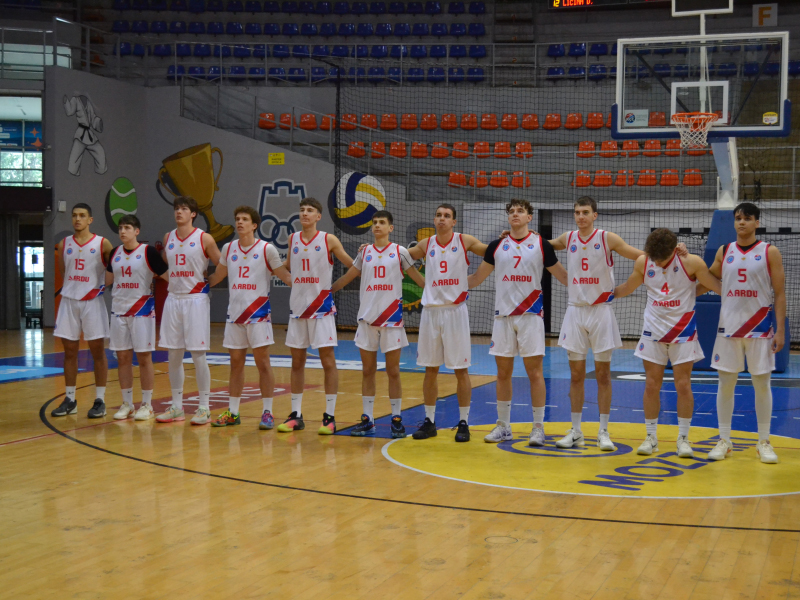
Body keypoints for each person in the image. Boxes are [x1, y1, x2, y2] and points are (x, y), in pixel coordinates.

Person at [467, 199, 568, 446]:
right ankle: (503, 426)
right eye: (511, 211)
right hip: (503, 317)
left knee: (535, 373)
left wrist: (593, 284)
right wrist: (444, 280)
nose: (515, 214)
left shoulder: (541, 245)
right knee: (503, 373)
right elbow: (476, 279)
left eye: (520, 211)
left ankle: (538, 428)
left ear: (529, 217)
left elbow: (564, 277)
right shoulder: (496, 246)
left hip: (531, 316)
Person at [613, 228, 721, 458]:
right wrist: (602, 294)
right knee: (652, 385)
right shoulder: (644, 262)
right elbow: (627, 288)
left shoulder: (692, 262)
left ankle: (683, 438)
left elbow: (715, 285)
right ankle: (651, 437)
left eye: (662, 259)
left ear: (674, 250)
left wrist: (743, 292)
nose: (658, 263)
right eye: (655, 259)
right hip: (653, 332)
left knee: (683, 385)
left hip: (683, 332)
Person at [551, 196, 645, 451]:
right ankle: (576, 431)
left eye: (585, 212)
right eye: (577, 212)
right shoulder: (567, 238)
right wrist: (515, 236)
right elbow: (539, 245)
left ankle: (603, 431)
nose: (580, 216)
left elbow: (641, 257)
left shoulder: (607, 238)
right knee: (576, 375)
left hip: (601, 312)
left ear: (595, 215)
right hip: (575, 312)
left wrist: (670, 252)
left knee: (603, 375)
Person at [331, 210, 426, 438]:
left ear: (390, 228)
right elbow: (349, 276)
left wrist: (439, 292)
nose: (377, 226)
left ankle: (396, 419)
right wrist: (327, 291)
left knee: (393, 372)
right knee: (368, 371)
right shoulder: (364, 253)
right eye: (374, 222)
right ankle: (368, 419)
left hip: (392, 320)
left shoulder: (400, 252)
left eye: (382, 222)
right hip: (367, 320)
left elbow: (418, 278)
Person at [706, 203, 786, 464]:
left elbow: (780, 293)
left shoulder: (769, 252)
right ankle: (724, 440)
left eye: (747, 218)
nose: (742, 222)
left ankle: (763, 441)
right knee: (725, 384)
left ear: (757, 223)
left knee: (762, 384)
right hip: (728, 329)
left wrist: (780, 331)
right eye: (738, 218)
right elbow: (708, 277)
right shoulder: (724, 250)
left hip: (760, 328)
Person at [404, 204, 488, 443]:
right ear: (434, 220)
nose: (442, 219)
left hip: (455, 311)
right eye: (439, 215)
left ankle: (464, 422)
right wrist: (422, 283)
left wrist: (475, 278)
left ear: (454, 222)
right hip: (431, 313)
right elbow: (400, 257)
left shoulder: (464, 240)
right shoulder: (426, 244)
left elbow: (491, 252)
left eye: (447, 216)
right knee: (430, 369)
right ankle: (429, 421)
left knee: (461, 370)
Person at [207, 206, 292, 429]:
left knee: (263, 363)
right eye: (237, 219)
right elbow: (218, 276)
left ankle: (267, 412)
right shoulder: (228, 248)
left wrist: (307, 280)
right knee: (235, 364)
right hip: (234, 315)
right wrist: (194, 285)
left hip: (258, 314)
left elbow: (284, 275)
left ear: (254, 225)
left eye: (245, 219)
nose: (240, 222)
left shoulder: (267, 249)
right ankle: (233, 412)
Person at [277, 197, 354, 435]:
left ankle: (329, 417)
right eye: (302, 210)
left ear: (318, 216)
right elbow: (287, 265)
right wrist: (272, 268)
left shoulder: (328, 239)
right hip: (298, 310)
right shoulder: (293, 239)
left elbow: (353, 265)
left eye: (310, 210)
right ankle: (296, 415)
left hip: (321, 310)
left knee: (328, 362)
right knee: (296, 363)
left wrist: (335, 287)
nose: (305, 213)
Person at [156, 196, 222, 425]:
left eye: (184, 209)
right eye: (177, 208)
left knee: (197, 354)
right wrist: (172, 280)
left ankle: (204, 407)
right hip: (173, 298)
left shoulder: (204, 238)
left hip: (195, 299)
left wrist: (209, 282)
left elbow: (222, 264)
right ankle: (177, 407)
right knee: (173, 354)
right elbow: (165, 265)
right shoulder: (168, 237)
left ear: (193, 214)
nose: (179, 212)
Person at [51, 203, 114, 418]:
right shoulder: (64, 244)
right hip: (69, 301)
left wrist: (100, 286)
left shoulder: (102, 243)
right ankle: (70, 399)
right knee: (69, 351)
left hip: (92, 302)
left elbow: (113, 269)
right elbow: (64, 271)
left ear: (90, 220)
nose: (77, 219)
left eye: (82, 215)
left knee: (97, 351)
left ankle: (100, 400)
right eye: (74, 215)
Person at [105, 215, 169, 421]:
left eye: (127, 228)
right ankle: (127, 404)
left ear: (137, 231)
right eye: (120, 228)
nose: (123, 231)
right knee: (123, 358)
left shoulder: (148, 252)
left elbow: (168, 276)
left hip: (142, 311)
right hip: (118, 311)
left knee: (143, 358)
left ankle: (147, 405)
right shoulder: (115, 253)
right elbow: (107, 279)